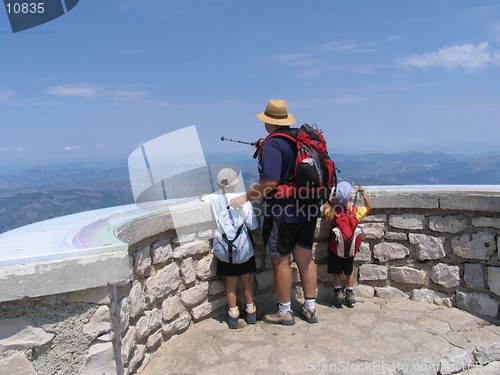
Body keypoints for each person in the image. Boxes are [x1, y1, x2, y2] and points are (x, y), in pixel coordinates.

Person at [230, 99, 319, 325]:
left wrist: (245, 197)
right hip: (308, 207)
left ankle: (284, 311)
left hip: (283, 210)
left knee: (281, 261)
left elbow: (269, 183)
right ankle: (310, 308)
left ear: (268, 121)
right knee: (306, 258)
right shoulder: (298, 139)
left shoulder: (272, 144)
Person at [200, 167, 258, 329]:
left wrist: (204, 196)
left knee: (230, 282)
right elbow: (253, 225)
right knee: (246, 279)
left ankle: (233, 314)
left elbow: (203, 197)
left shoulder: (214, 198)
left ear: (219, 184)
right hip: (243, 249)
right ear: (237, 183)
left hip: (225, 251)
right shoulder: (243, 201)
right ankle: (250, 311)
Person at [323, 182, 372, 306]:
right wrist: (363, 194)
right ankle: (350, 293)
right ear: (350, 198)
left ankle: (338, 292)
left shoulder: (334, 213)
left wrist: (329, 200)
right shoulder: (355, 211)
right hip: (349, 248)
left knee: (336, 271)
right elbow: (368, 208)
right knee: (349, 271)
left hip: (336, 248)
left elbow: (325, 210)